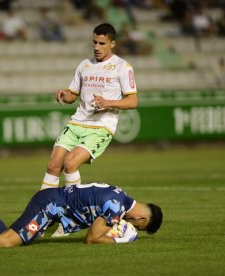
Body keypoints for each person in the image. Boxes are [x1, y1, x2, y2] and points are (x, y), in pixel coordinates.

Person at [41, 23, 138, 237]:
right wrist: (64, 96)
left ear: (112, 43)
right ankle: (44, 216)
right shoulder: (84, 65)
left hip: (101, 127)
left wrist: (109, 102)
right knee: (53, 165)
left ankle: (72, 220)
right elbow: (72, 94)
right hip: (77, 122)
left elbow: (132, 101)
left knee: (70, 163)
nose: (96, 47)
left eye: (102, 43)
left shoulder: (123, 67)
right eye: (94, 42)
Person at [0, 183, 163, 251]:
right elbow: (92, 238)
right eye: (137, 228)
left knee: (3, 234)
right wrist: (119, 241)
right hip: (49, 206)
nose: (130, 227)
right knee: (7, 242)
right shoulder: (116, 206)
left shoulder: (119, 196)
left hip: (51, 201)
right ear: (141, 220)